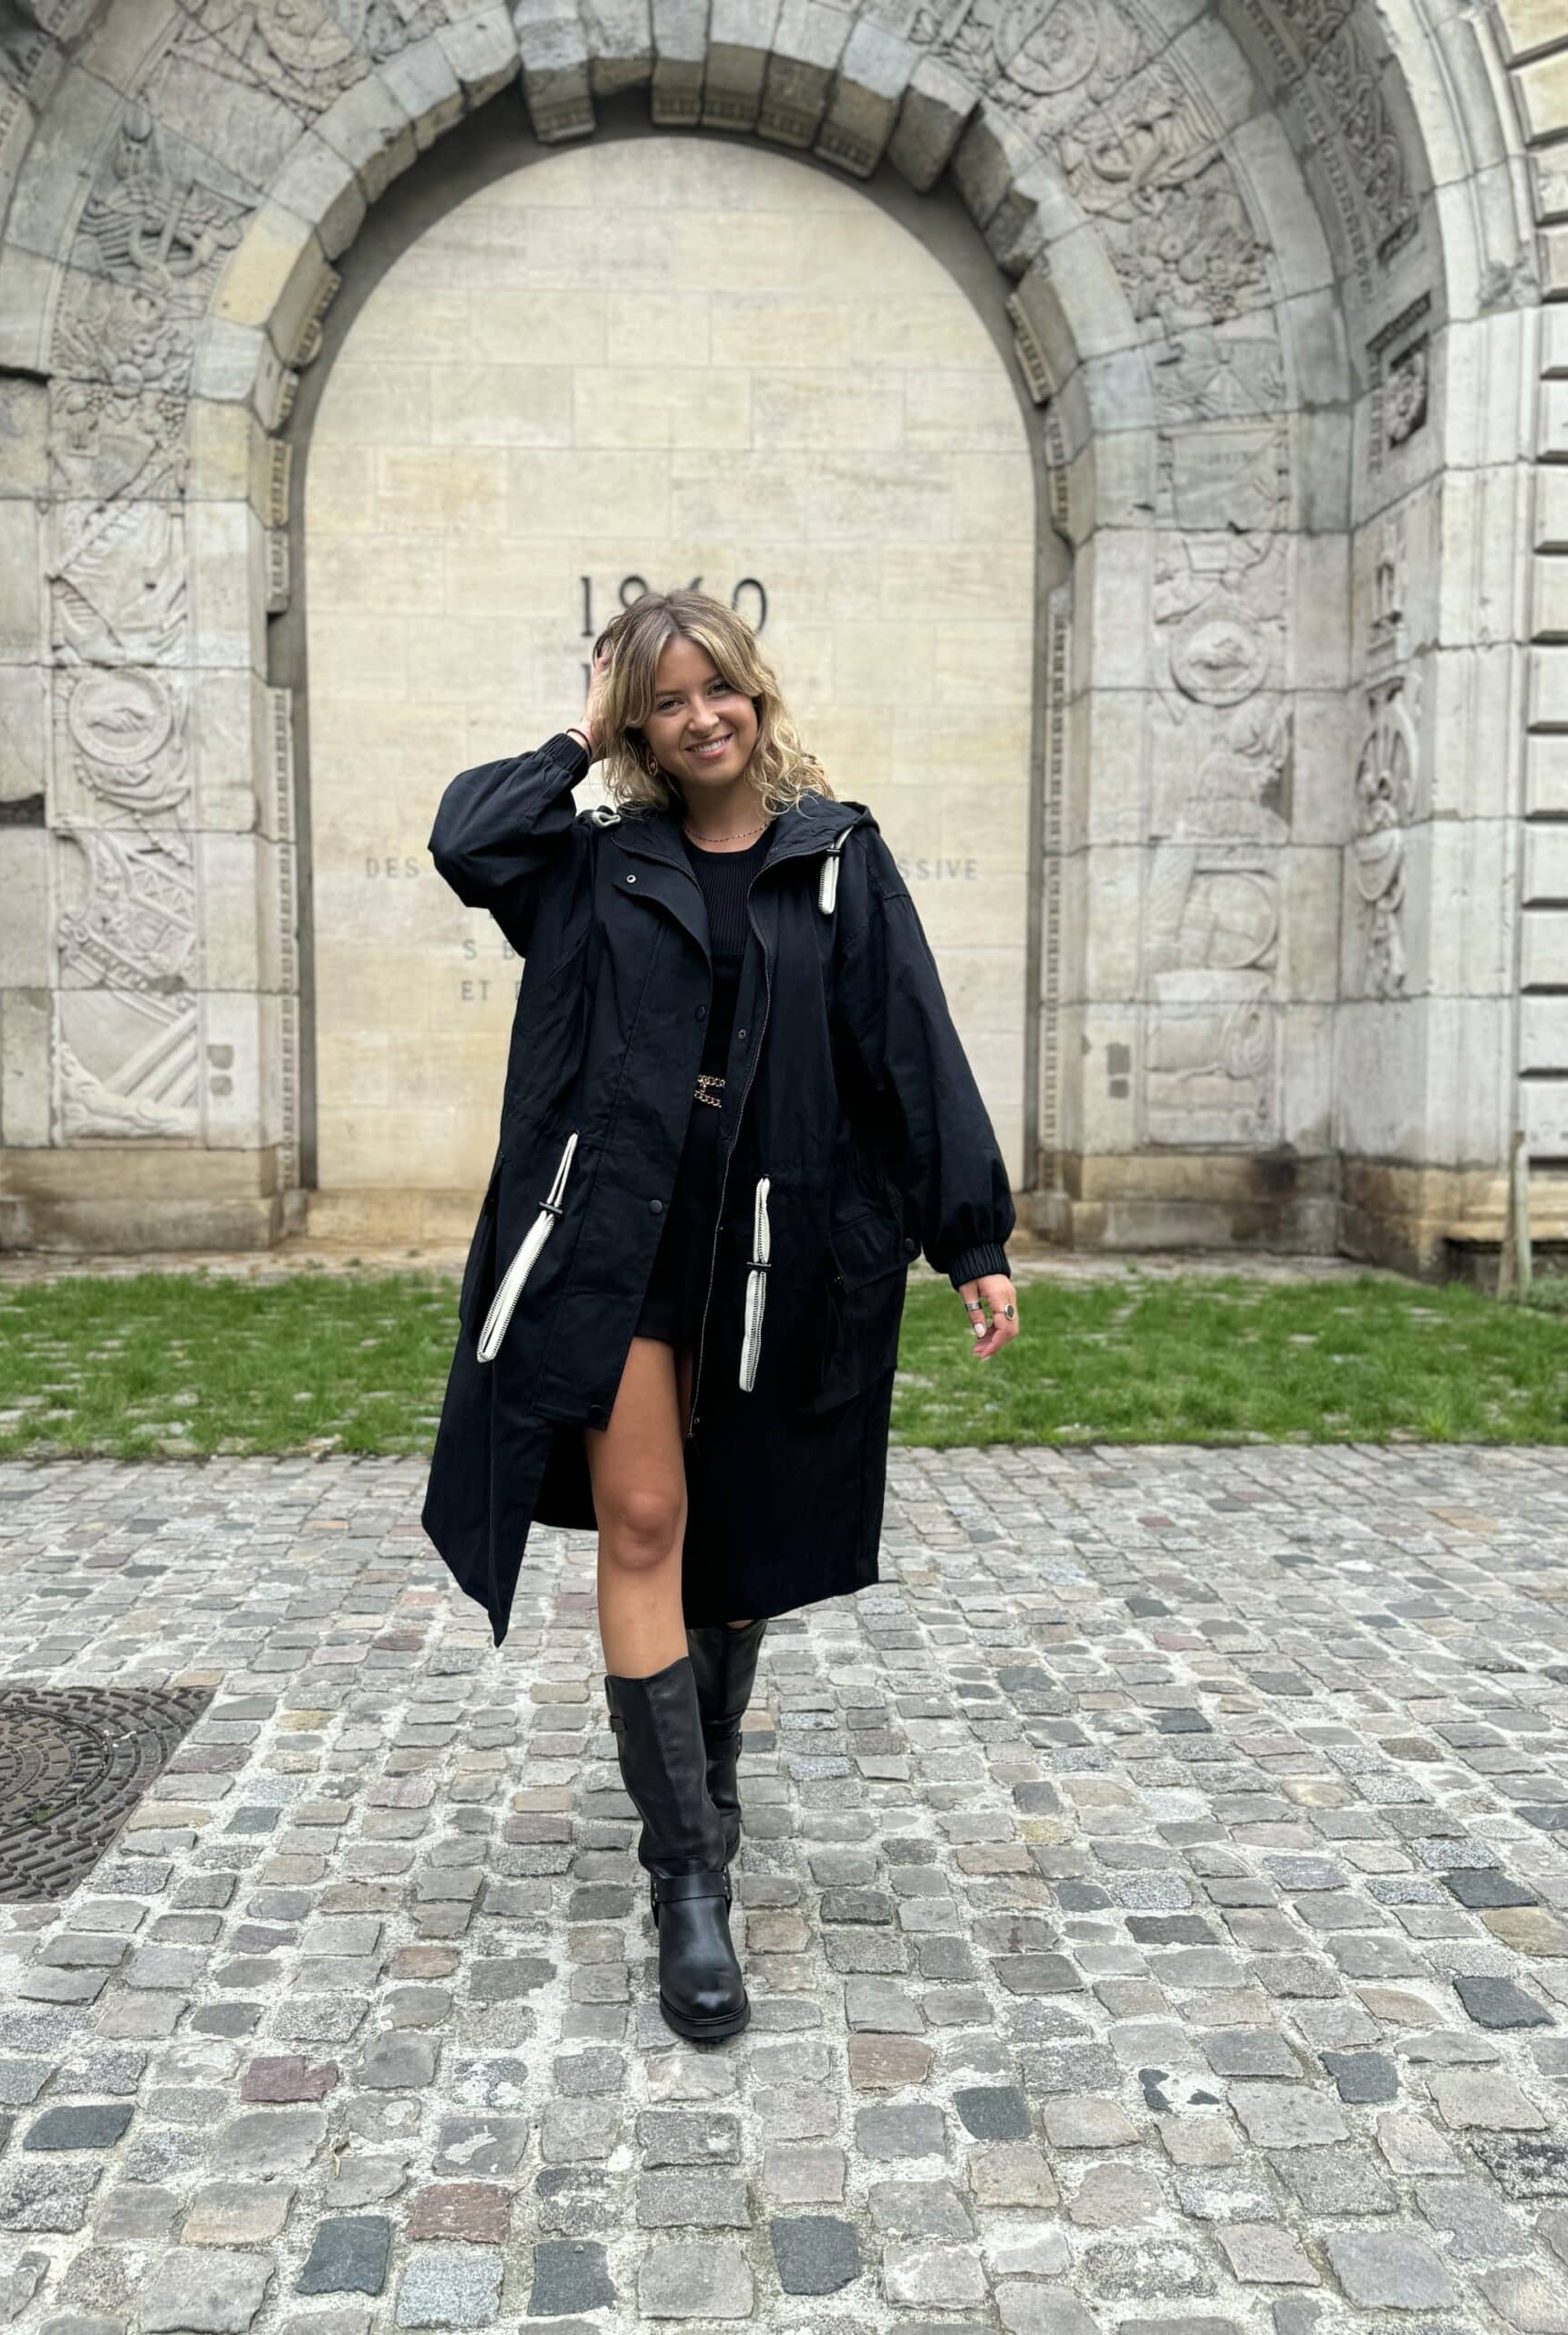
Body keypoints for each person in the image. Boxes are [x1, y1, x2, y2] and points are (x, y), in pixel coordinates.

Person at [424, 589, 1019, 2043]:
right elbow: (466, 839)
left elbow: (909, 1041)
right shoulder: (589, 862)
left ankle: (709, 1772)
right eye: (665, 702)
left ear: (756, 693)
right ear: (636, 725)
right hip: (620, 1236)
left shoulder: (837, 857)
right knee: (644, 1521)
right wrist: (578, 734)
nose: (701, 719)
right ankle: (687, 1873)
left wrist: (972, 1236)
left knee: (737, 1549)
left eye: (718, 690)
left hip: (780, 1239)